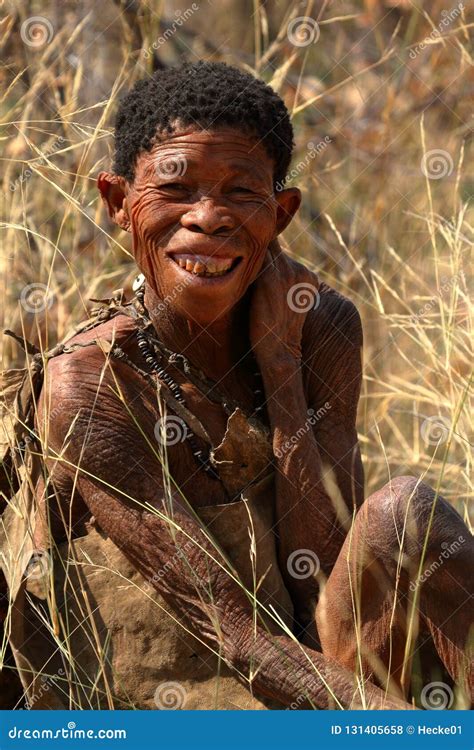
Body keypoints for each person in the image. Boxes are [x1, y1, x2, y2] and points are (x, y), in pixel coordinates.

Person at [1, 61, 471, 710]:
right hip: (185, 701)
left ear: (280, 214)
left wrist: (280, 366)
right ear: (117, 202)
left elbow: (321, 584)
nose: (209, 217)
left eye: (241, 194)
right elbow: (235, 634)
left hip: (322, 667)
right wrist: (398, 728)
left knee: (404, 513)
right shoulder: (91, 385)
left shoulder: (321, 327)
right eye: (176, 188)